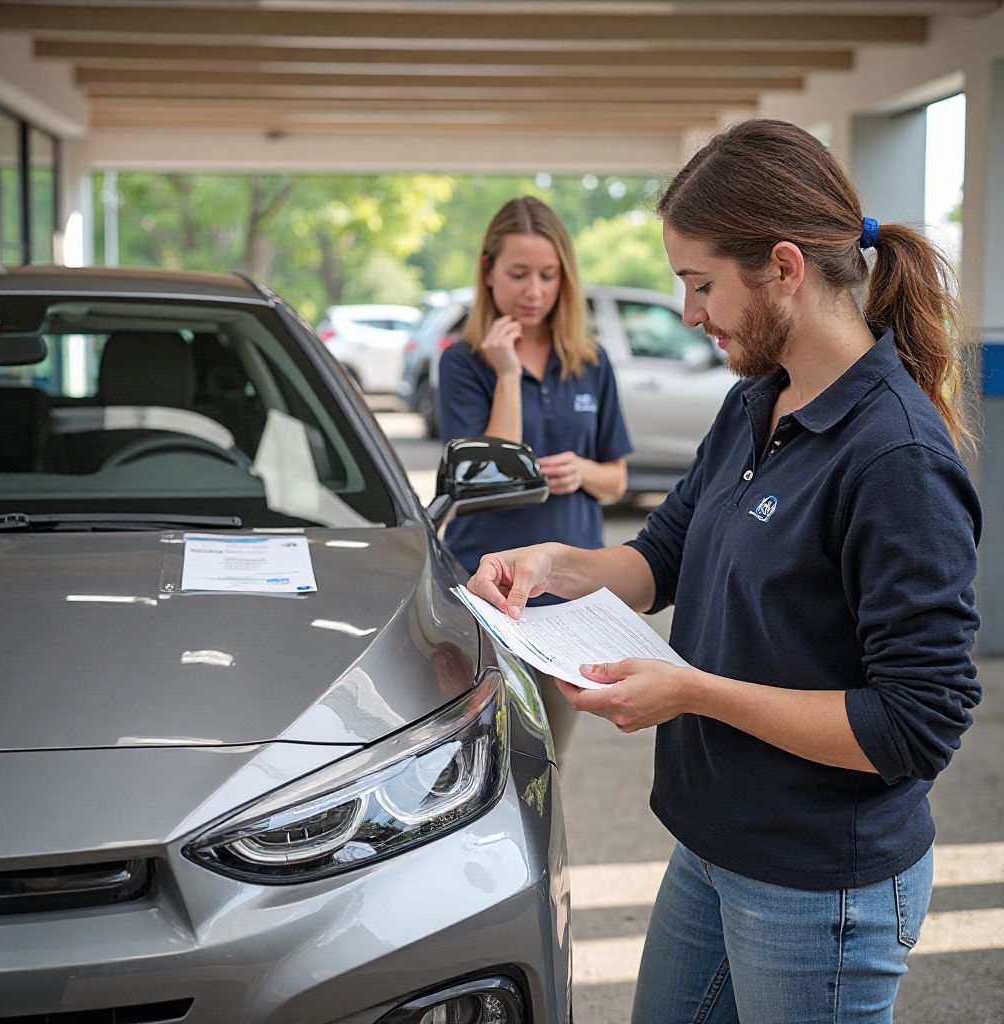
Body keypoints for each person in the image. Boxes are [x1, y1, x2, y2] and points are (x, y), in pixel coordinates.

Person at [467, 120, 981, 1023]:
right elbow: (661, 556)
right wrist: (550, 563)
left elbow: (917, 724)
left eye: (701, 285)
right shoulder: (757, 400)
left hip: (819, 886)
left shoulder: (895, 457)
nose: (691, 313)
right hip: (710, 844)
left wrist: (694, 693)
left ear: (784, 267)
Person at [439, 196, 632, 762]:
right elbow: (491, 475)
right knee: (479, 758)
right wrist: (507, 374)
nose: (534, 291)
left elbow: (616, 482)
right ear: (488, 272)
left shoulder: (589, 362)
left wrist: (585, 470)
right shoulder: (463, 362)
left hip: (568, 594)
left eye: (548, 276)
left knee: (547, 758)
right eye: (519, 274)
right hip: (490, 590)